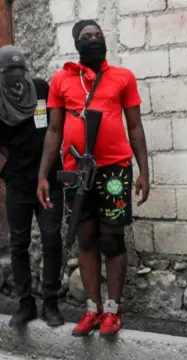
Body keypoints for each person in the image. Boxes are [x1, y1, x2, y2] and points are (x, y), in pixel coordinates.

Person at [37, 19, 150, 337]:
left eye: (98, 35)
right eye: (86, 36)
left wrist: (144, 171)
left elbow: (136, 127)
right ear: (77, 43)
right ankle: (92, 308)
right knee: (84, 237)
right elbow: (54, 130)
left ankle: (113, 310)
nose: (94, 40)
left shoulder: (122, 77)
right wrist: (43, 175)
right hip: (75, 171)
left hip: (115, 168)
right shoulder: (60, 79)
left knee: (111, 239)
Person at [0, 46, 64, 328]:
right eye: (8, 71)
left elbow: (55, 127)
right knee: (19, 243)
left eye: (19, 70)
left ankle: (50, 303)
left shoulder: (40, 89)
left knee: (51, 240)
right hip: (17, 182)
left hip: (49, 178)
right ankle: (25, 304)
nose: (15, 77)